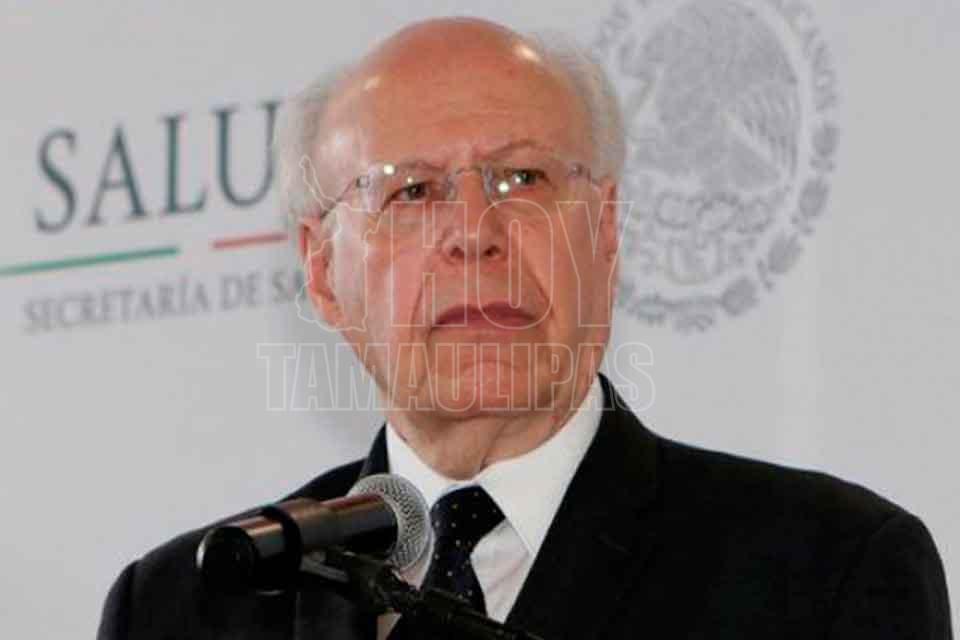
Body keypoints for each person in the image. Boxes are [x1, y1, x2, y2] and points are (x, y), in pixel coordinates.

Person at [98, 17, 952, 639]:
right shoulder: (186, 604)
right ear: (323, 273)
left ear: (606, 235)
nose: (474, 232)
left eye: (523, 179)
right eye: (411, 191)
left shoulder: (826, 571)